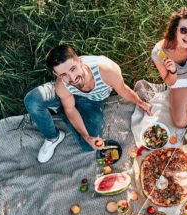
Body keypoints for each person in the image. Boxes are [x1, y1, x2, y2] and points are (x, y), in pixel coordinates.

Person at [24, 44, 152, 163]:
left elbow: (123, 89)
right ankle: (53, 137)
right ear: (57, 74)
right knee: (32, 101)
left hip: (92, 101)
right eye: (64, 74)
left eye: (73, 69)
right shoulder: (61, 84)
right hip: (65, 95)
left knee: (89, 146)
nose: (72, 78)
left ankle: (57, 108)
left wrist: (140, 103)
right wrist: (84, 134)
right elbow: (70, 109)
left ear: (80, 60)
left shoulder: (107, 70)